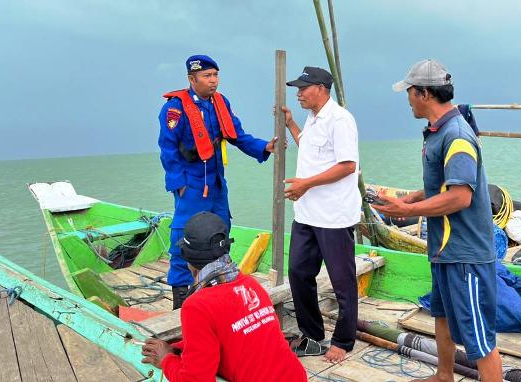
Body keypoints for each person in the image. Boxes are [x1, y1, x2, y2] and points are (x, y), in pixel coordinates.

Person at [373, 59, 503, 382]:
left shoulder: (457, 135)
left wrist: (406, 212)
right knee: (441, 315)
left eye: (409, 92)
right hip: (444, 250)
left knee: (480, 340)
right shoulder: (437, 132)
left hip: (466, 255)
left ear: (424, 94)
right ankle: (444, 375)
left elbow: (461, 196)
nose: (407, 99)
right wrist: (408, 200)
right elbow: (440, 182)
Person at [158, 54, 279, 309]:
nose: (213, 81)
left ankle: (219, 293)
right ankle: (181, 302)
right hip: (190, 183)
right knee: (183, 238)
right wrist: (178, 184)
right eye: (207, 76)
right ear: (192, 79)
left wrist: (265, 147)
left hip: (216, 182)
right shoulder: (175, 109)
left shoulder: (220, 103)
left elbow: (238, 136)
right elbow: (167, 150)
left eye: (215, 75)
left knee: (221, 233)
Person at [141, 211, 307, 382]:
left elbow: (196, 379)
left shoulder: (197, 306)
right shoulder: (250, 284)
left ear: (188, 259)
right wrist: (176, 347)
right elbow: (229, 333)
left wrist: (166, 359)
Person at [279, 66, 361, 363]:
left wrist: (305, 184)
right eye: (297, 88)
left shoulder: (340, 119)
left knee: (342, 282)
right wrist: (291, 125)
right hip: (307, 214)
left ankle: (343, 340)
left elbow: (347, 165)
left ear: (322, 88)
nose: (298, 93)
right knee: (299, 273)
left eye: (303, 87)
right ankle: (312, 335)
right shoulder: (313, 118)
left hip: (333, 217)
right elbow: (311, 150)